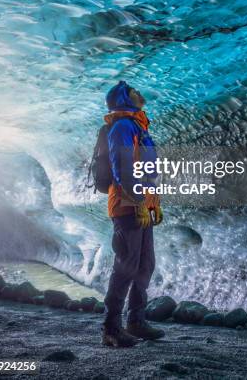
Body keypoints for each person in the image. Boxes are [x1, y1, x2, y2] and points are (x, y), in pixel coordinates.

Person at [102, 80, 165, 348]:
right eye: (133, 91)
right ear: (123, 99)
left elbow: (146, 170)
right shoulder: (123, 126)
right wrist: (138, 202)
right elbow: (123, 168)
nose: (139, 93)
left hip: (140, 204)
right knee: (126, 267)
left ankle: (136, 321)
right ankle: (111, 329)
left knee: (144, 265)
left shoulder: (138, 125)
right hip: (128, 207)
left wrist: (153, 203)